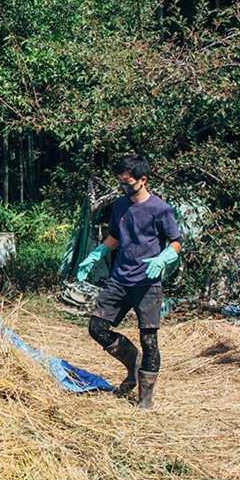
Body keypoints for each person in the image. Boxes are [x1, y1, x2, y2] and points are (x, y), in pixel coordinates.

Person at [76, 154, 184, 410]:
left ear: (143, 180)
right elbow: (115, 236)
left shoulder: (160, 209)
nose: (124, 188)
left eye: (128, 183)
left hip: (147, 283)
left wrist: (164, 257)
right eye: (121, 183)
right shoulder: (120, 206)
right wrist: (96, 255)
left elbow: (176, 242)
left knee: (149, 340)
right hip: (120, 279)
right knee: (97, 327)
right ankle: (131, 362)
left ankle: (145, 398)